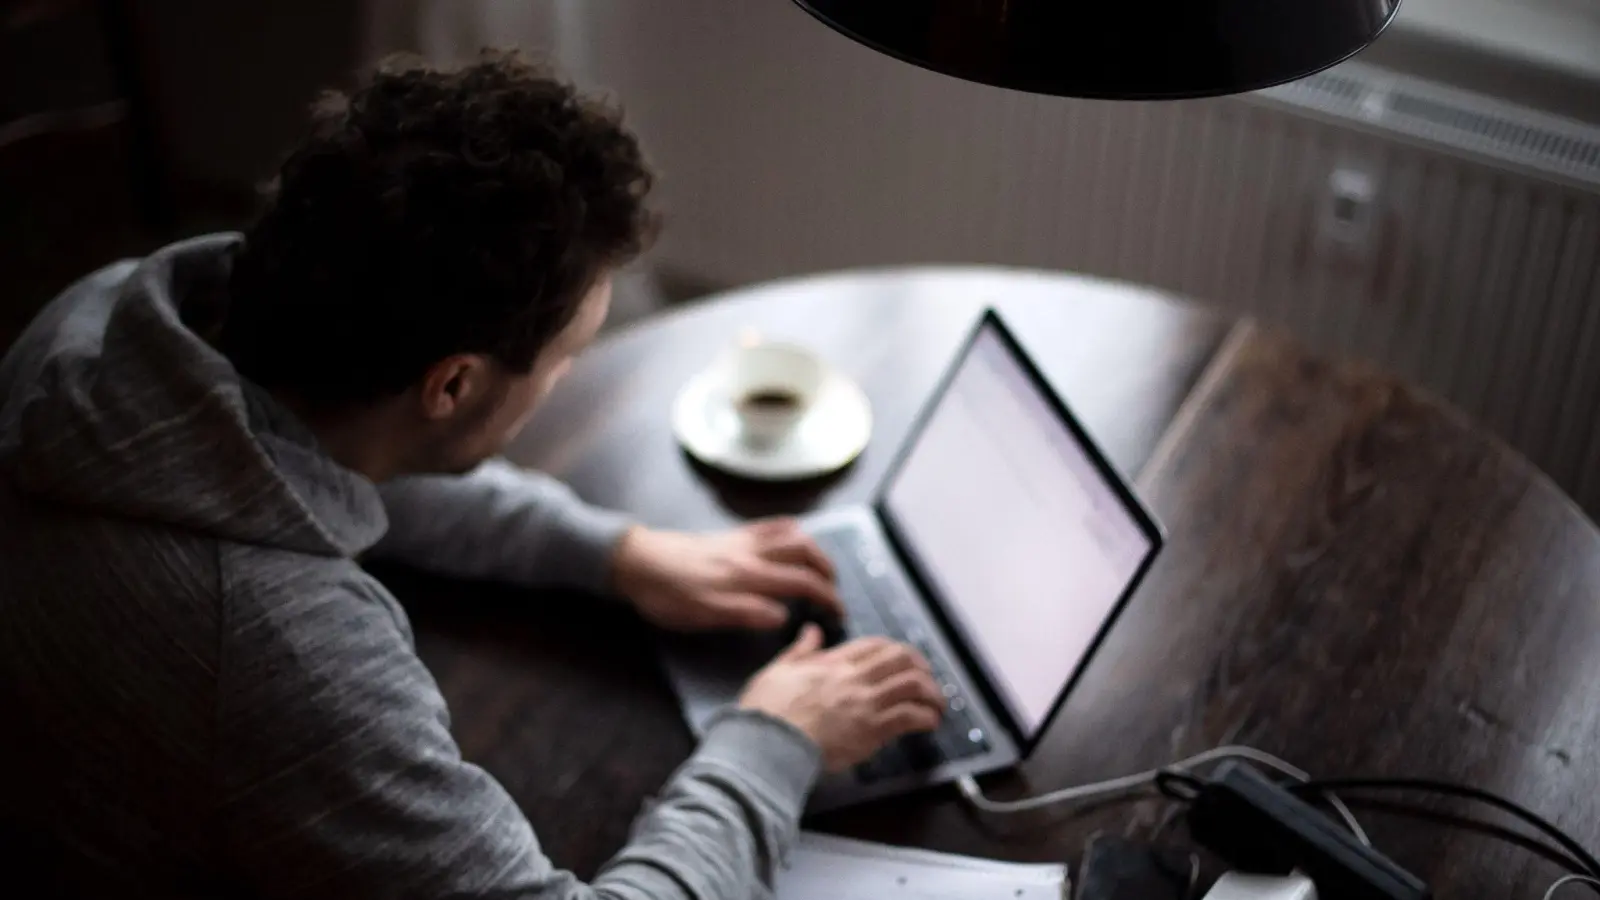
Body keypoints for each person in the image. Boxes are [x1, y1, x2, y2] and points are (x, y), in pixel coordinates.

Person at [0, 50, 946, 899]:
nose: (571, 370)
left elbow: (323, 463)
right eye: (567, 354)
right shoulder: (279, 655)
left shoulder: (101, 330)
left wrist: (614, 553)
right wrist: (774, 743)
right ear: (452, 384)